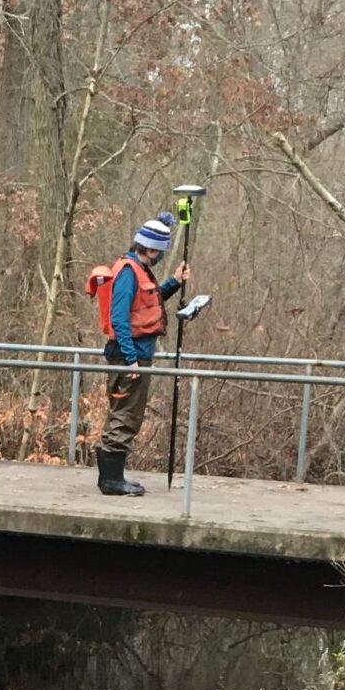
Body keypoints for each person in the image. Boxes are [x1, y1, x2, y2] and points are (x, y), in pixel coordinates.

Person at [94, 213, 190, 497]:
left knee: (127, 414)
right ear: (151, 248)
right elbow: (120, 318)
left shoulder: (138, 270)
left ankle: (113, 476)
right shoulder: (127, 271)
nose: (161, 255)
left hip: (134, 353)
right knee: (125, 415)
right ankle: (110, 481)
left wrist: (173, 282)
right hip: (129, 355)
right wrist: (131, 359)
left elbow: (147, 305)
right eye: (161, 250)